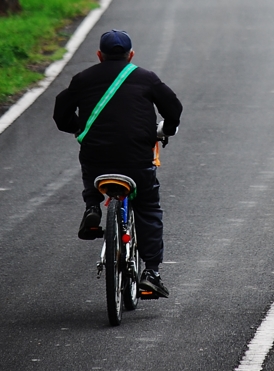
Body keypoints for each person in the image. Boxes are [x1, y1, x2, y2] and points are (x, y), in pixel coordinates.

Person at [53, 29, 182, 298]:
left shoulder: (83, 78)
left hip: (97, 159)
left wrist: (80, 128)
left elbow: (60, 113)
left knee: (91, 164)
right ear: (130, 54)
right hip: (137, 159)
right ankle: (152, 273)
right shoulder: (146, 78)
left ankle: (92, 207)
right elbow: (173, 107)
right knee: (148, 208)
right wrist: (166, 129)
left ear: (99, 55)